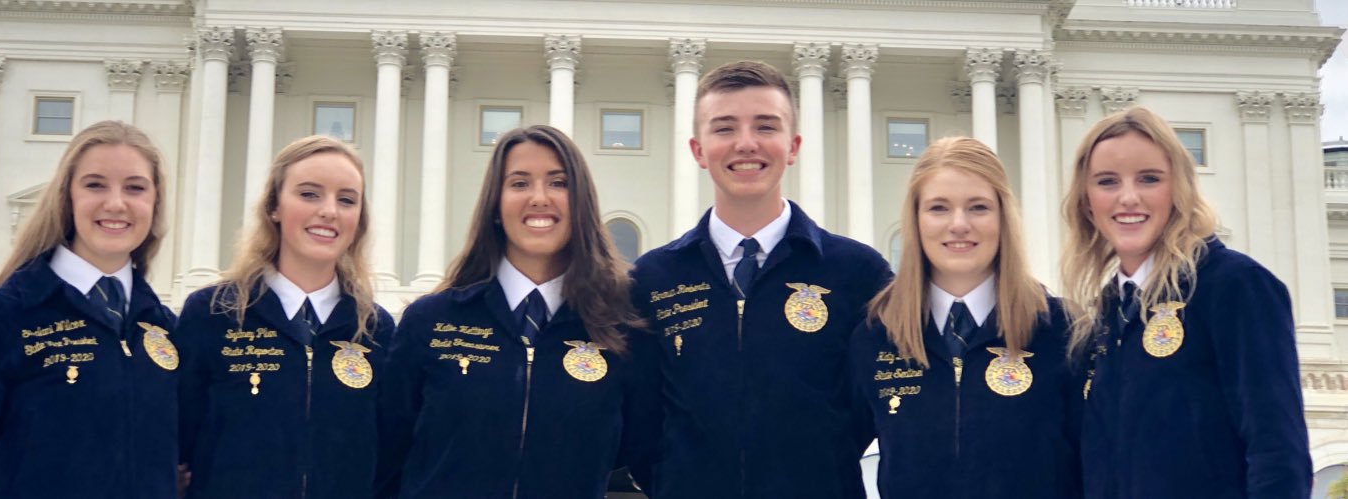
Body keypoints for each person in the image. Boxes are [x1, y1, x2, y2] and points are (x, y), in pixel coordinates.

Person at [627, 60, 892, 498]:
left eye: (766, 126)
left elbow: (873, 401)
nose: (746, 144)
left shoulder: (857, 273)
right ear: (698, 150)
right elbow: (639, 411)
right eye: (724, 128)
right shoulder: (653, 280)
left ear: (793, 146)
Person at [377, 125, 661, 499]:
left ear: (581, 206)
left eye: (558, 183)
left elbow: (651, 458)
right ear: (495, 205)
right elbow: (384, 459)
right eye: (519, 183)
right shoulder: (430, 322)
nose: (539, 198)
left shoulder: (620, 330)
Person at [0, 121, 178, 498]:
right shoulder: (0, 318)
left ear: (154, 203)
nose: (116, 203)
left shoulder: (165, 329)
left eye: (135, 187)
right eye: (95, 184)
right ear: (67, 197)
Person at [1063, 106, 1311, 498]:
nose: (1128, 197)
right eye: (1107, 181)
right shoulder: (1103, 320)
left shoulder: (1234, 285)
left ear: (1178, 188)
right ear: (1086, 202)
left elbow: (1277, 451)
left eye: (1149, 179)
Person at [845, 137, 1082, 498]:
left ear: (1003, 217)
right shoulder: (877, 337)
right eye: (939, 208)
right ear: (916, 219)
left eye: (978, 207)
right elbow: (834, 458)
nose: (959, 224)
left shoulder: (1062, 332)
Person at [174, 136, 394, 498]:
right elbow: (179, 441)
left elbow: (389, 456)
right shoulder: (212, 314)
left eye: (346, 199)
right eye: (309, 194)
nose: (329, 211)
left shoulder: (376, 329)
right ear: (274, 206)